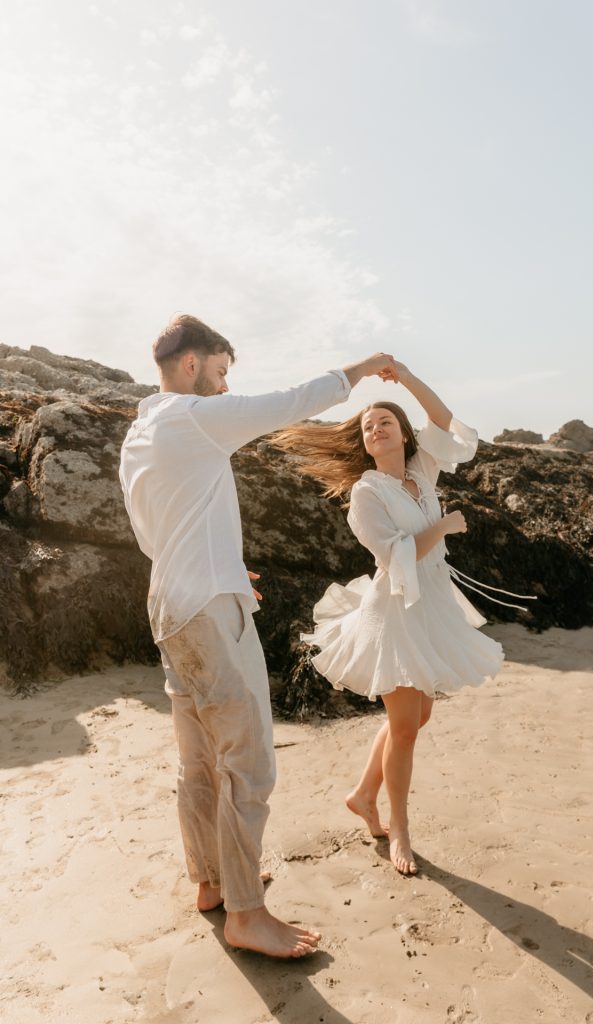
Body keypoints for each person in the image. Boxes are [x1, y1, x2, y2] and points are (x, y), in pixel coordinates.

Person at [119, 312, 399, 957]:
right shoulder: (193, 413)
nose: (223, 388)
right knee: (248, 763)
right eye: (219, 372)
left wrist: (222, 563)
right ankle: (247, 914)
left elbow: (156, 531)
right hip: (208, 611)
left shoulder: (142, 432)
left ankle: (213, 884)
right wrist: (362, 369)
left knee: (198, 761)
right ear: (191, 365)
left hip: (171, 604)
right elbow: (291, 403)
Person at [272, 362, 504, 876]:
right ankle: (397, 828)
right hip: (395, 609)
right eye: (366, 427)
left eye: (384, 423)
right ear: (365, 443)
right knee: (406, 726)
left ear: (402, 434)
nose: (374, 429)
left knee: (417, 715)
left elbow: (443, 421)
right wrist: (441, 527)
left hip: (432, 604)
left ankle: (361, 793)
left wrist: (403, 374)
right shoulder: (367, 493)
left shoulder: (422, 472)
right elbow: (393, 553)